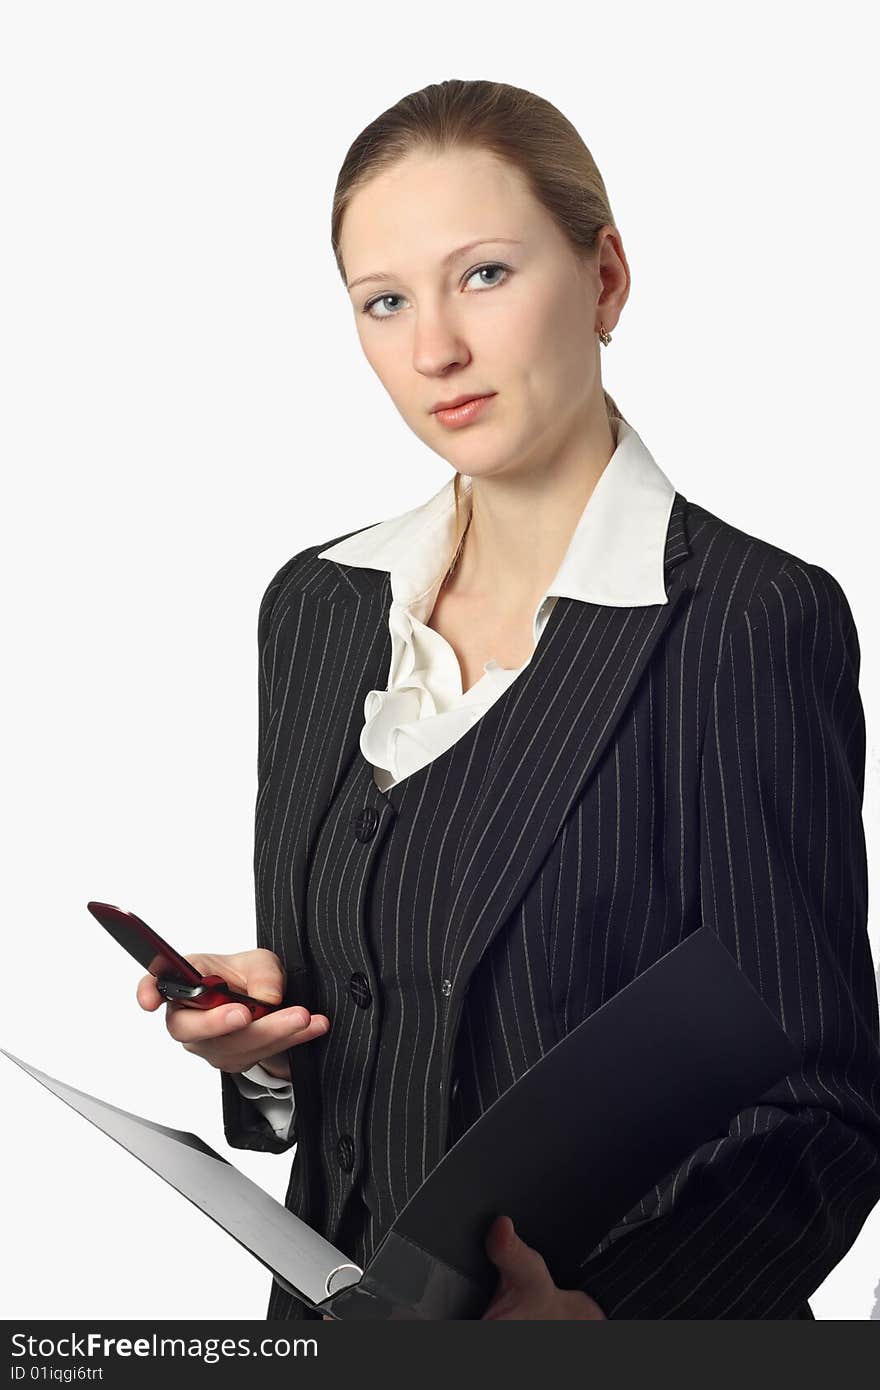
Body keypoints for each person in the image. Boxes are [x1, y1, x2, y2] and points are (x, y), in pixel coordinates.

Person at [136, 78, 880, 1320]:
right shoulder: (317, 608)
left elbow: (821, 1110)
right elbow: (367, 1029)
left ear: (603, 279)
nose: (433, 349)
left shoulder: (746, 621)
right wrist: (258, 1055)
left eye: (482, 274)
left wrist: (606, 1322)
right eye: (384, 302)